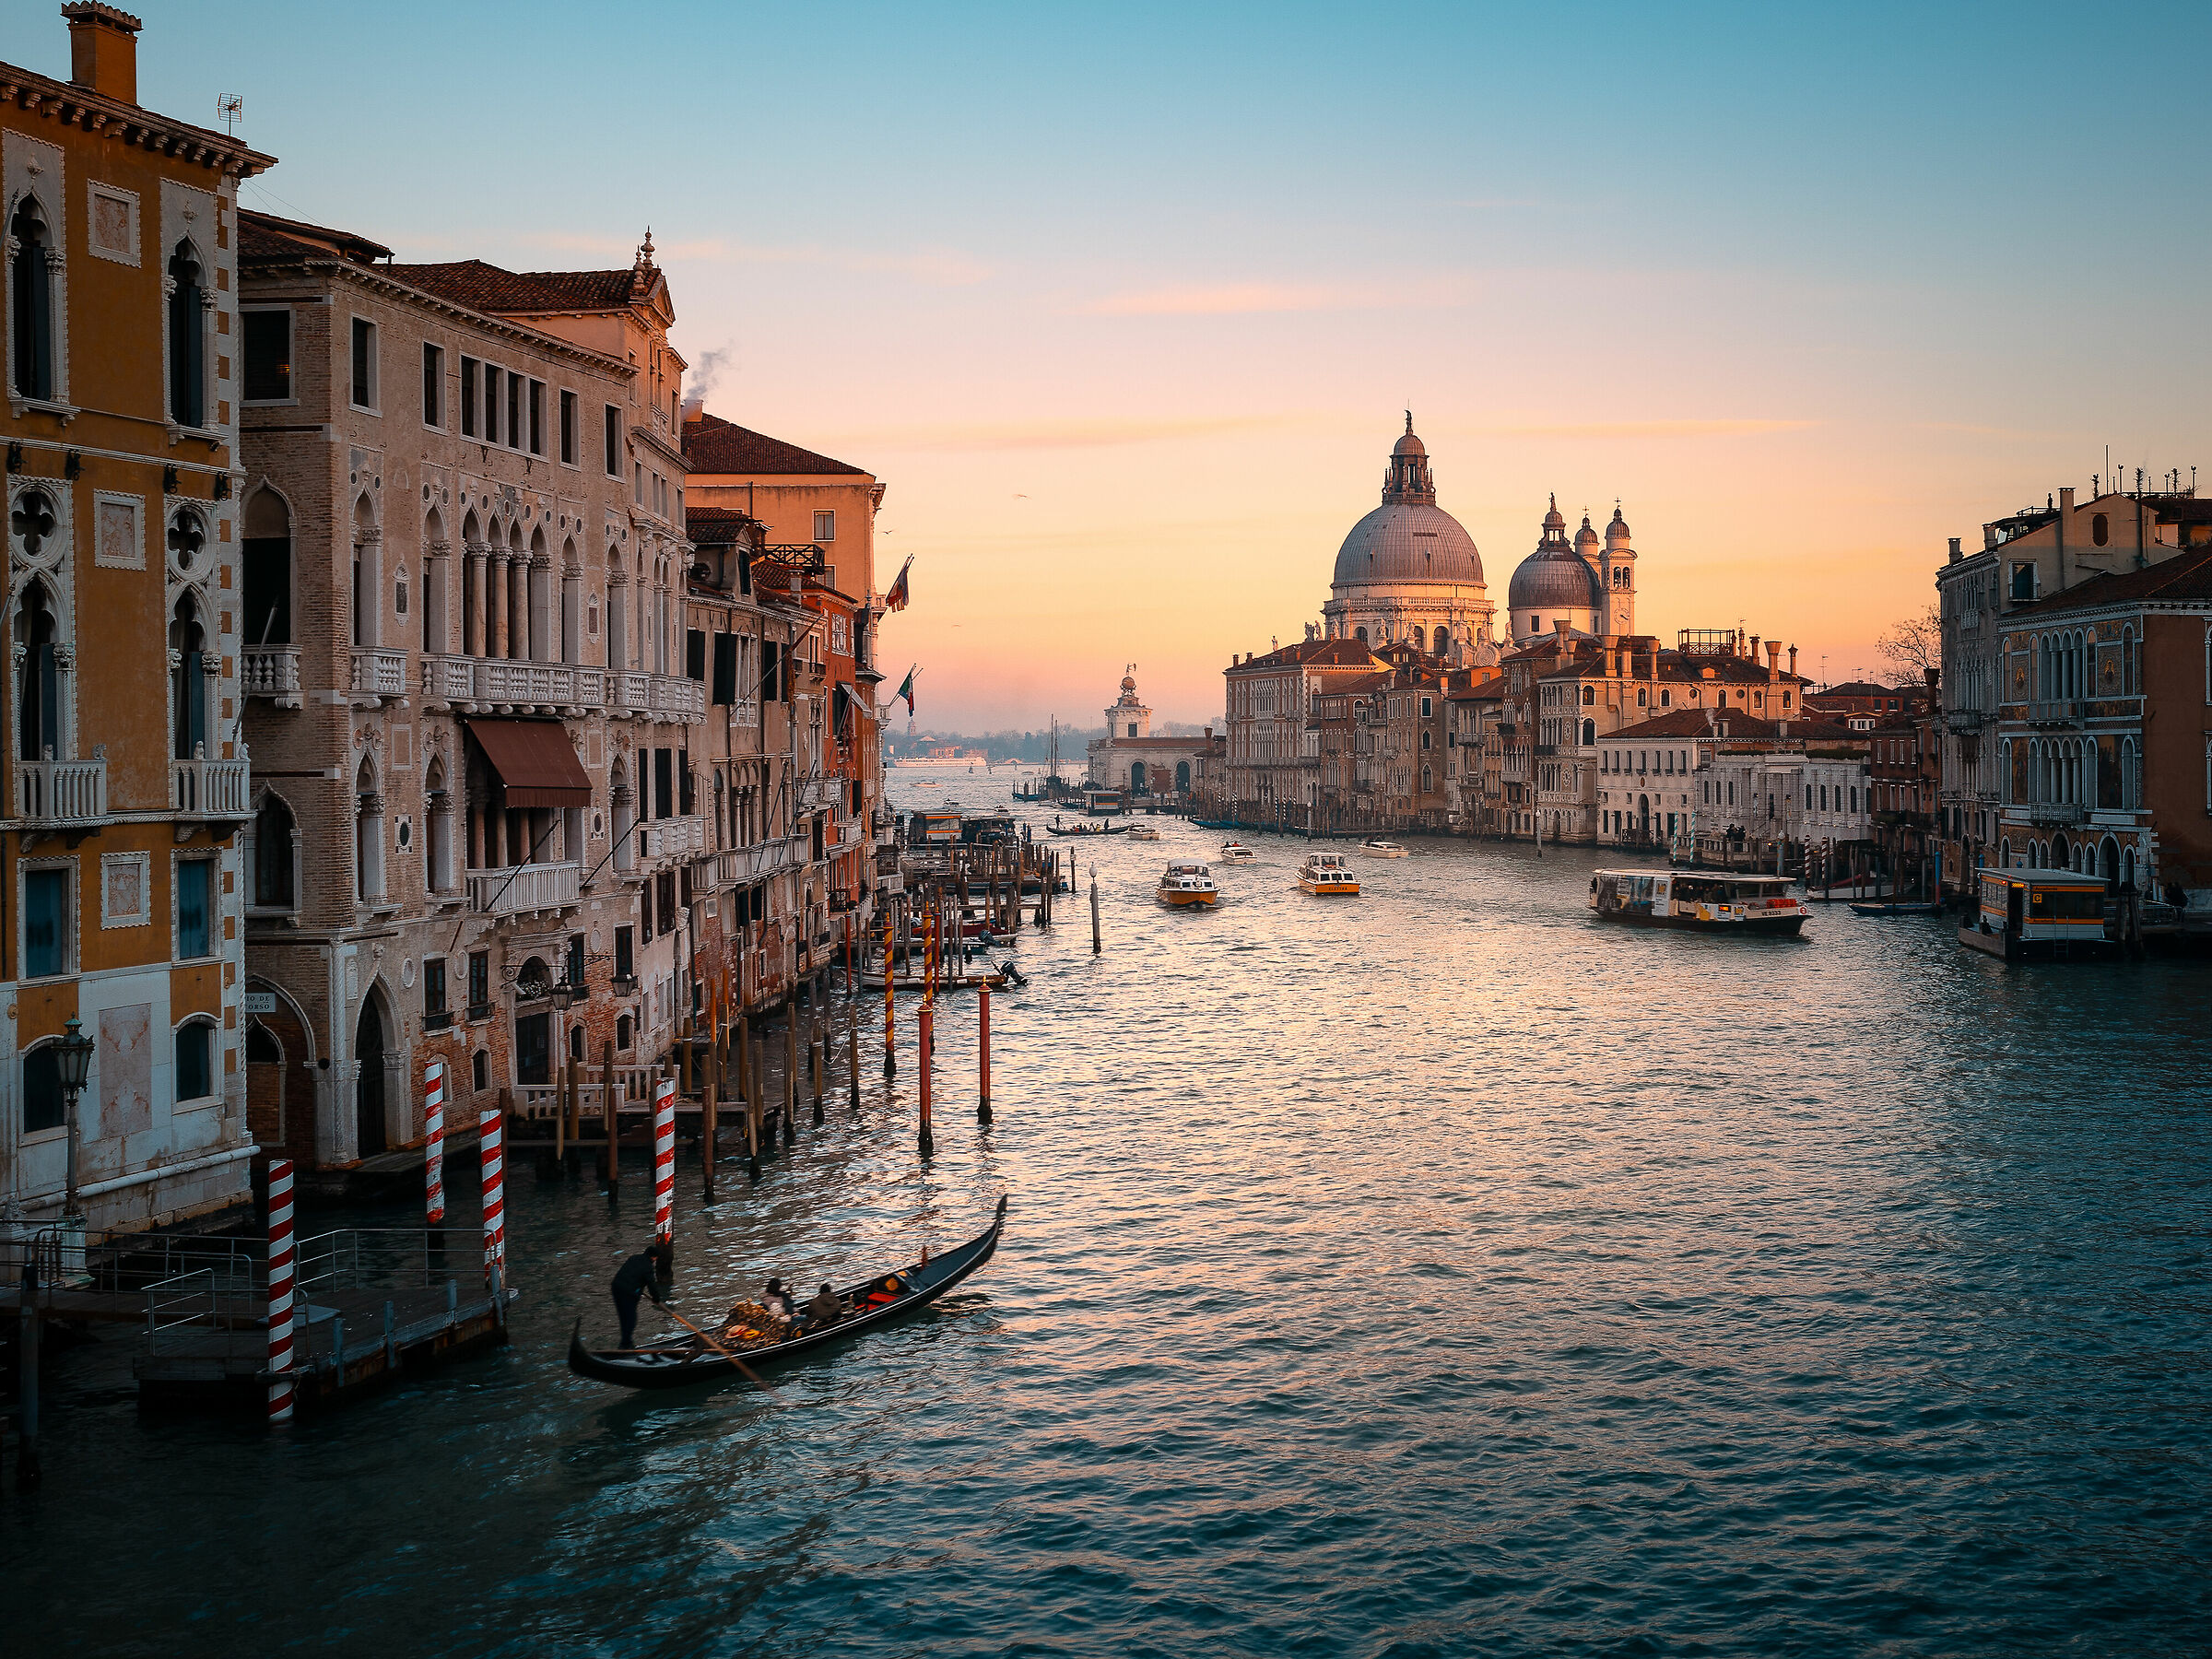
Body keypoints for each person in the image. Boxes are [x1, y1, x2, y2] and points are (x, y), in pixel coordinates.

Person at [610, 1241, 667, 1348]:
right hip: (628, 1293)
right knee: (631, 1318)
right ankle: (626, 1344)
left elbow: (631, 1274)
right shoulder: (648, 1267)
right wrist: (656, 1299)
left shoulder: (634, 1258)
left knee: (623, 1317)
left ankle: (625, 1343)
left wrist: (639, 1287)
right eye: (656, 1258)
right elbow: (651, 1285)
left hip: (616, 1288)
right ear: (653, 1257)